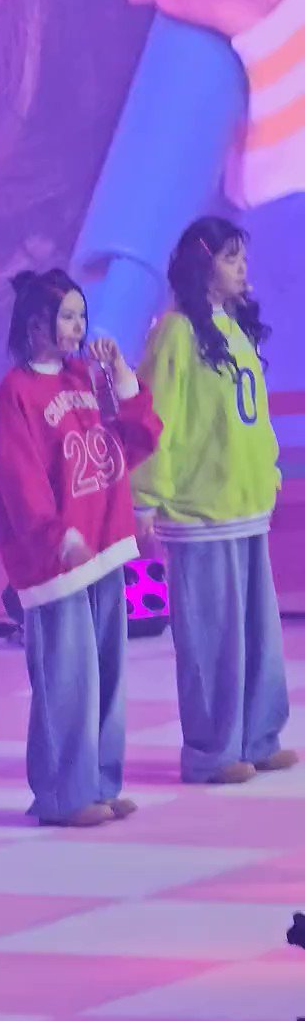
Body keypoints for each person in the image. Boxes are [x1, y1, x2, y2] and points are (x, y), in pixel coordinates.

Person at [0, 270, 162, 827]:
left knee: (108, 671)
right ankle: (64, 793)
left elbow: (134, 442)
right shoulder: (16, 391)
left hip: (105, 545)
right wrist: (54, 532)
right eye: (67, 316)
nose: (78, 327)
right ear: (35, 323)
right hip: (56, 561)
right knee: (67, 678)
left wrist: (121, 377)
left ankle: (101, 782)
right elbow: (18, 476)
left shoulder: (84, 377)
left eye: (81, 316)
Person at [132, 216, 297, 784]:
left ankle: (258, 736)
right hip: (199, 510)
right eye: (230, 257)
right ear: (202, 264)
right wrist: (146, 497)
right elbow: (157, 420)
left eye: (241, 257)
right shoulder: (175, 332)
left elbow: (253, 417)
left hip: (244, 505)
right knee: (210, 640)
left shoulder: (235, 327)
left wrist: (267, 476)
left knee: (257, 634)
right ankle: (211, 751)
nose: (242, 267)